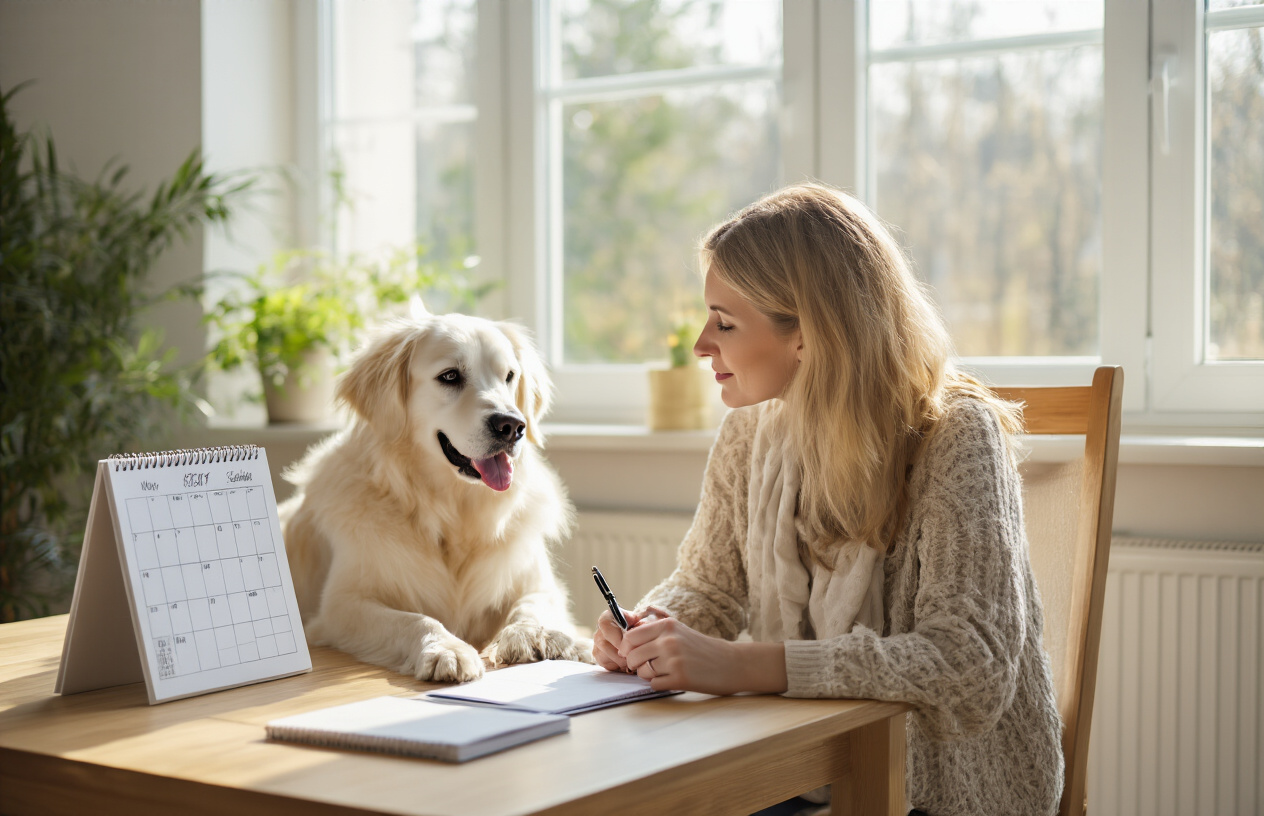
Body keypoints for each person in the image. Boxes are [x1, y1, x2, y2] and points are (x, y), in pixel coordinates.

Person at [591, 183, 1064, 816]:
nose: (703, 344)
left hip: (942, 793)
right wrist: (649, 630)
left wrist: (745, 667)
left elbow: (968, 665)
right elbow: (708, 587)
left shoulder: (956, 433)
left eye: (726, 323)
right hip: (798, 769)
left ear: (808, 337)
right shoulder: (750, 430)